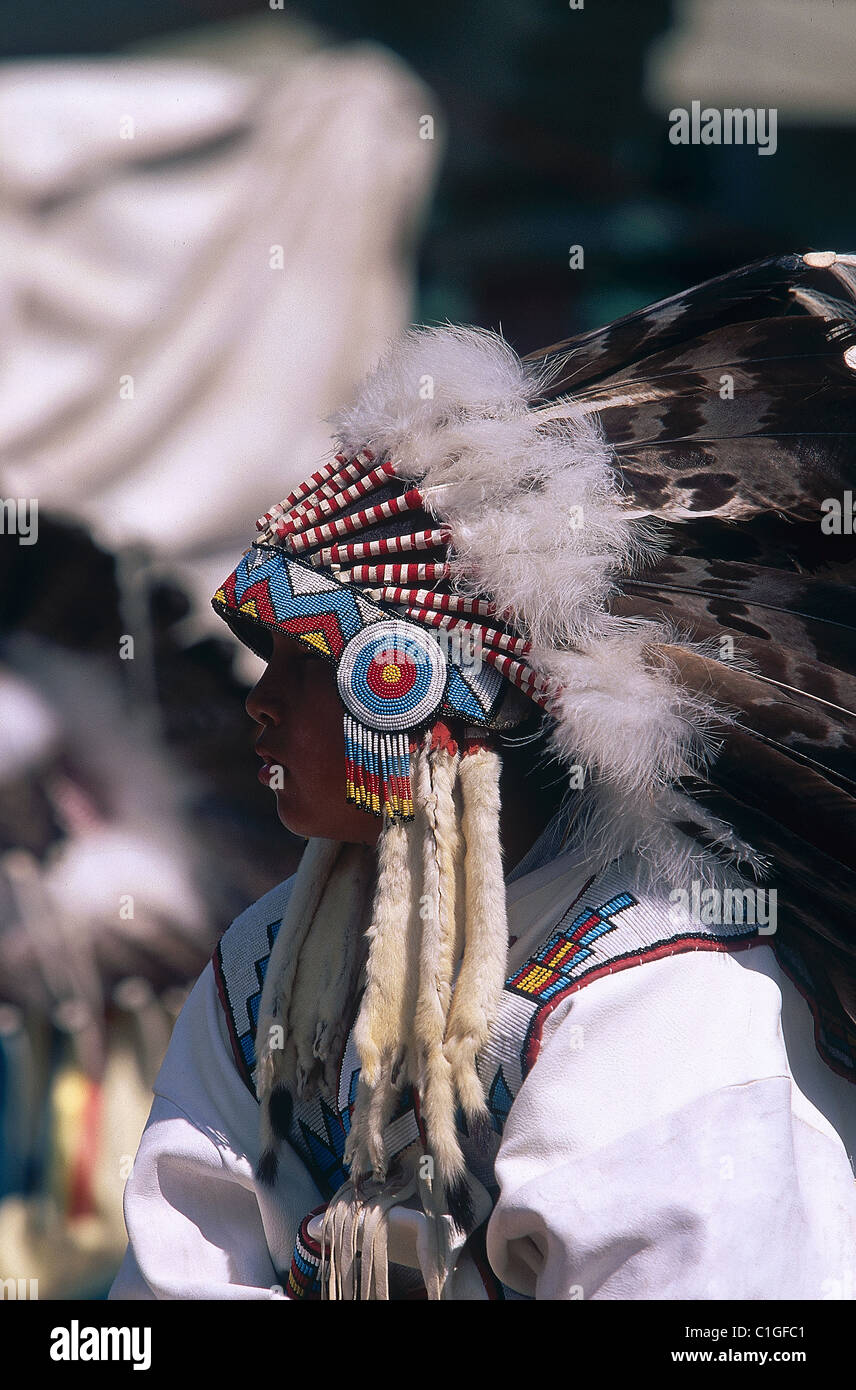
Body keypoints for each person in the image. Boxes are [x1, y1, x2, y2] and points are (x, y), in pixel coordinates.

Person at [110, 252, 856, 1300]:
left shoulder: (663, 998)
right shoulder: (265, 962)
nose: (258, 701)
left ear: (423, 694)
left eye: (305, 660)